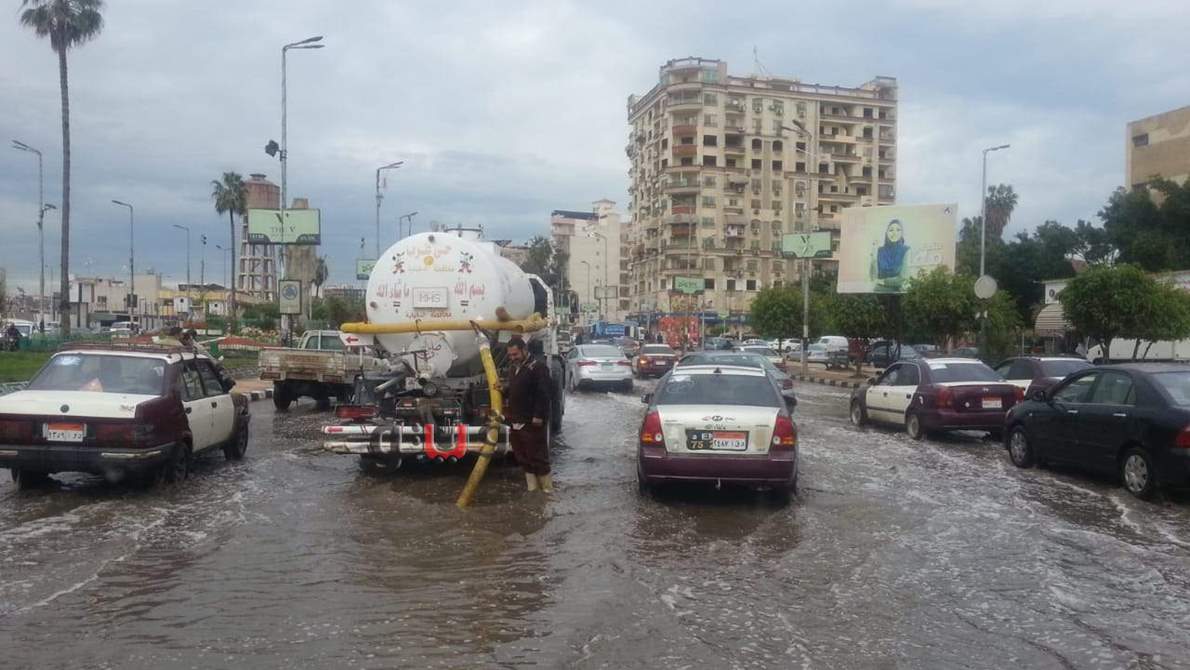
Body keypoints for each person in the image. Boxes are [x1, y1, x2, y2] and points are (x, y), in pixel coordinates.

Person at [504, 336, 553, 492]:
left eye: (515, 354)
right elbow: (516, 389)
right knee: (522, 456)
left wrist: (538, 416)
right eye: (510, 355)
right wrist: (503, 390)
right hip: (516, 418)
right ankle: (532, 490)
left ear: (524, 350)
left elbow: (544, 393)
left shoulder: (538, 368)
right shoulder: (513, 369)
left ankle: (547, 491)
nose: (513, 358)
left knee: (538, 456)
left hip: (532, 421)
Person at [869, 218, 911, 292]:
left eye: (898, 230)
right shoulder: (879, 250)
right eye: (891, 230)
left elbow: (903, 279)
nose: (894, 233)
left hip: (898, 293)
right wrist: (874, 255)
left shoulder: (906, 250)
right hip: (879, 292)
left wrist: (882, 281)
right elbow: (873, 278)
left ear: (902, 233)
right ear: (886, 233)